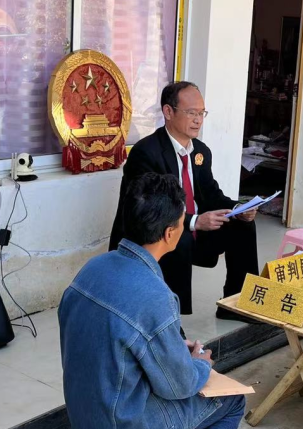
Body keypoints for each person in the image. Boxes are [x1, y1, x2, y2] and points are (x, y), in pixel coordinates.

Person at [61, 173, 245, 429]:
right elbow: (178, 386)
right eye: (182, 220)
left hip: (83, 422)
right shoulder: (155, 295)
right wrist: (198, 365)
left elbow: (113, 341)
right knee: (232, 400)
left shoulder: (92, 268)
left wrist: (173, 346)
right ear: (171, 233)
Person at [110, 81, 258, 318]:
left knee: (243, 226)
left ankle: (238, 304)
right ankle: (171, 320)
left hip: (193, 231)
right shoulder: (146, 152)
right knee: (178, 235)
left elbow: (211, 193)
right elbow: (149, 209)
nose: (198, 120)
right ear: (168, 112)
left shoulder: (200, 151)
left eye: (201, 113)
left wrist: (238, 208)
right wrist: (194, 221)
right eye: (191, 113)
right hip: (153, 234)